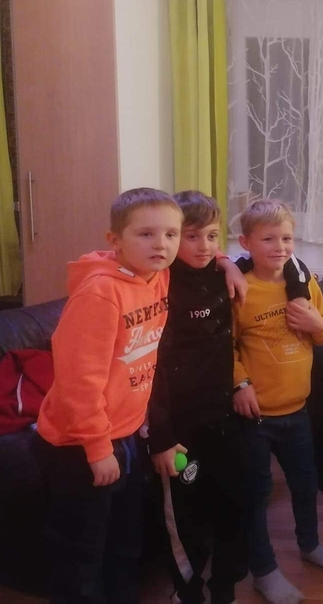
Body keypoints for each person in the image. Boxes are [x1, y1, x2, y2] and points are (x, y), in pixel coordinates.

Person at [35, 188, 183, 604]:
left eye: (171, 234)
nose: (161, 244)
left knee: (125, 544)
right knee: (81, 554)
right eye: (146, 234)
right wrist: (98, 448)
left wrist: (223, 260)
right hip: (81, 446)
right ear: (114, 240)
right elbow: (78, 381)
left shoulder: (157, 276)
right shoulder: (100, 293)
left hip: (127, 434)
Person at [232, 199, 323, 604]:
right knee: (256, 494)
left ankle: (310, 545)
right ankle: (264, 571)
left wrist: (317, 323)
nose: (280, 246)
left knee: (305, 483)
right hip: (255, 417)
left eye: (286, 238)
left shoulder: (303, 280)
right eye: (268, 239)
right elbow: (224, 347)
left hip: (298, 411)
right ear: (246, 243)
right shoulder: (239, 288)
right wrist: (239, 383)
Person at [147, 190, 248, 604]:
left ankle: (224, 588)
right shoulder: (157, 284)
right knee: (184, 515)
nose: (204, 246)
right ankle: (187, 593)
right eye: (191, 236)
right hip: (179, 432)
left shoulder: (220, 273)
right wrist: (161, 436)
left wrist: (227, 262)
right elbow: (149, 369)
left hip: (223, 419)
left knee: (232, 505)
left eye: (212, 236)